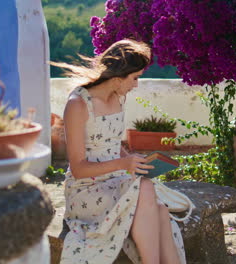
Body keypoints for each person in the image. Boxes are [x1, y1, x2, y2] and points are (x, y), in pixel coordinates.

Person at [53, 39, 186, 264]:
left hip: (116, 181)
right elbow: (78, 169)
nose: (136, 85)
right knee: (145, 188)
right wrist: (123, 165)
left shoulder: (118, 97)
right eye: (135, 78)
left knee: (162, 212)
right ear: (117, 79)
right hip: (86, 190)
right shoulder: (78, 104)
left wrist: (134, 160)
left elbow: (113, 145)